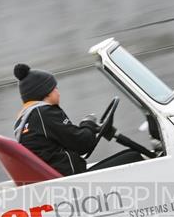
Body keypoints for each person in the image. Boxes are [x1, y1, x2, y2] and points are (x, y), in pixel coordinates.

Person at [12, 63, 143, 176]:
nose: (58, 92)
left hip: (62, 178)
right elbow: (82, 144)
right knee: (134, 157)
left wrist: (87, 127)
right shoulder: (44, 113)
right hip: (73, 181)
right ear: (44, 92)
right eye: (55, 88)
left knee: (129, 155)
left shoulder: (25, 119)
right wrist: (88, 124)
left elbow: (71, 139)